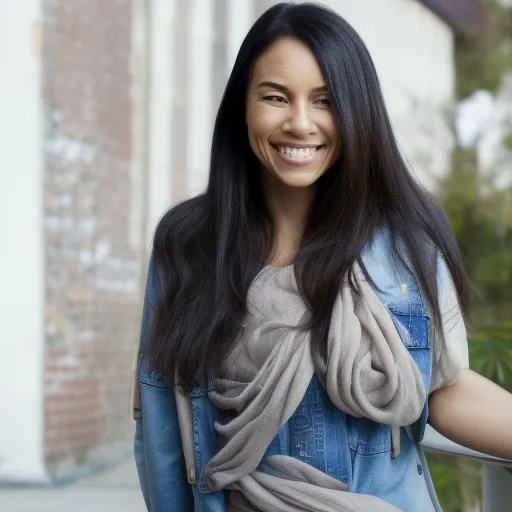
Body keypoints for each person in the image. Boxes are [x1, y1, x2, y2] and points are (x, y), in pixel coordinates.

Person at [132, 3, 512, 511]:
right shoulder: (187, 248)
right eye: (275, 97)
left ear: (357, 111)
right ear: (242, 106)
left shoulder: (406, 244)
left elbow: (444, 387)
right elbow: (161, 428)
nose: (300, 123)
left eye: (325, 100)